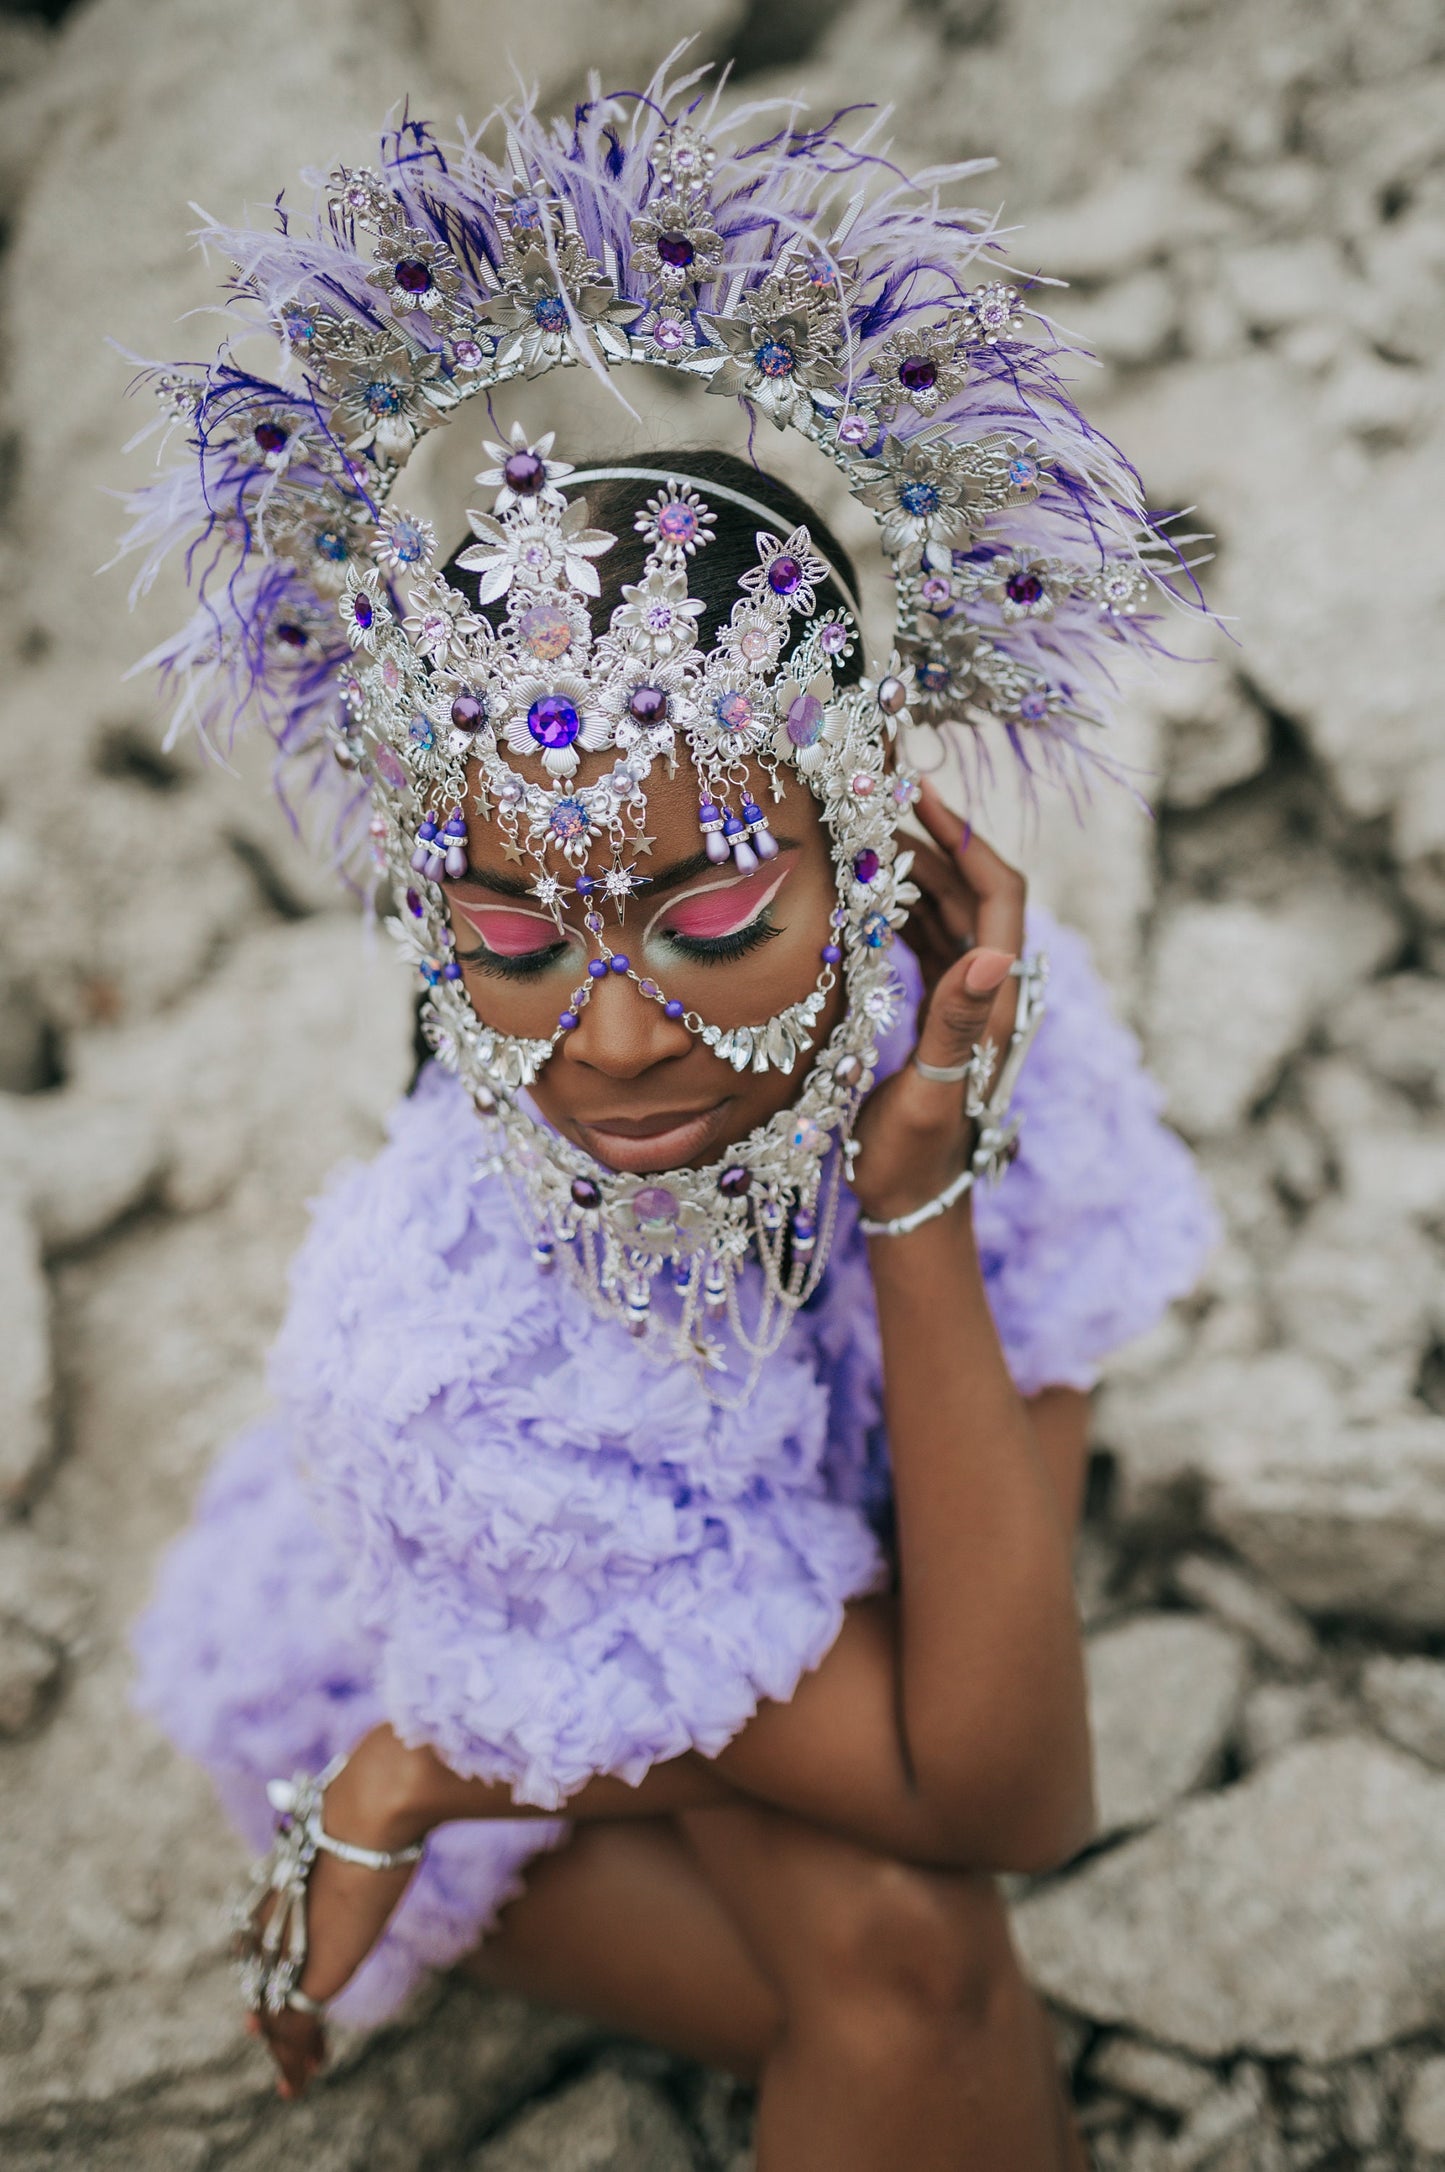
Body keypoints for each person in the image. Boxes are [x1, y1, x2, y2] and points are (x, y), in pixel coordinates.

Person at [126, 64, 1216, 2171]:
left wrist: (917, 1188)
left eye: (709, 907)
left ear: (875, 848)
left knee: (920, 1954)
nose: (613, 1039)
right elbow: (1006, 1793)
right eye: (510, 938)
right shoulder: (458, 1348)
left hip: (761, 1653)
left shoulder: (977, 1044)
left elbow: (991, 1770)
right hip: (482, 1628)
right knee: (918, 1964)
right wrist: (438, 1748)